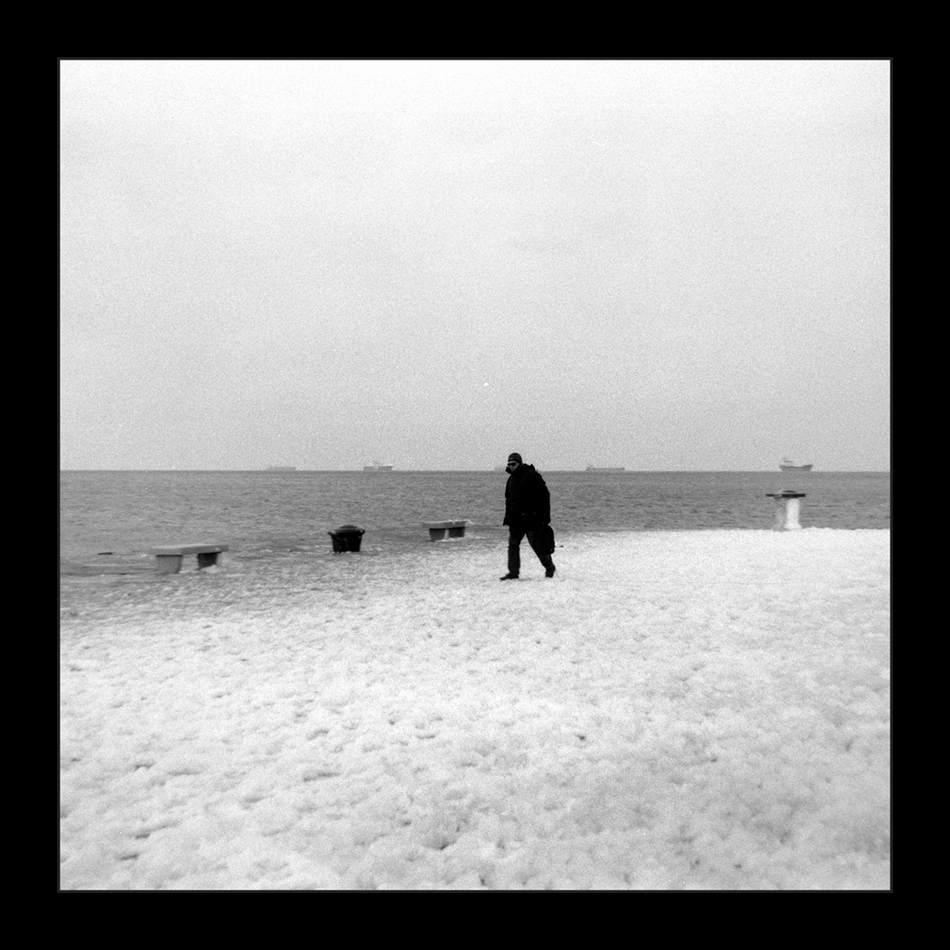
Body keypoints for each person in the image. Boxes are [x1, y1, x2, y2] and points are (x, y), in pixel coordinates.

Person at [500, 452, 556, 580]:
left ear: (519, 463)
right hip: (516, 520)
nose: (511, 466)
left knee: (537, 546)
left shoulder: (532, 476)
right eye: (509, 464)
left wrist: (544, 516)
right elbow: (509, 501)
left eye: (513, 464)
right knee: (513, 545)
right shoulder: (511, 480)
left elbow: (544, 496)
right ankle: (513, 572)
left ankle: (549, 567)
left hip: (532, 519)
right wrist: (508, 517)